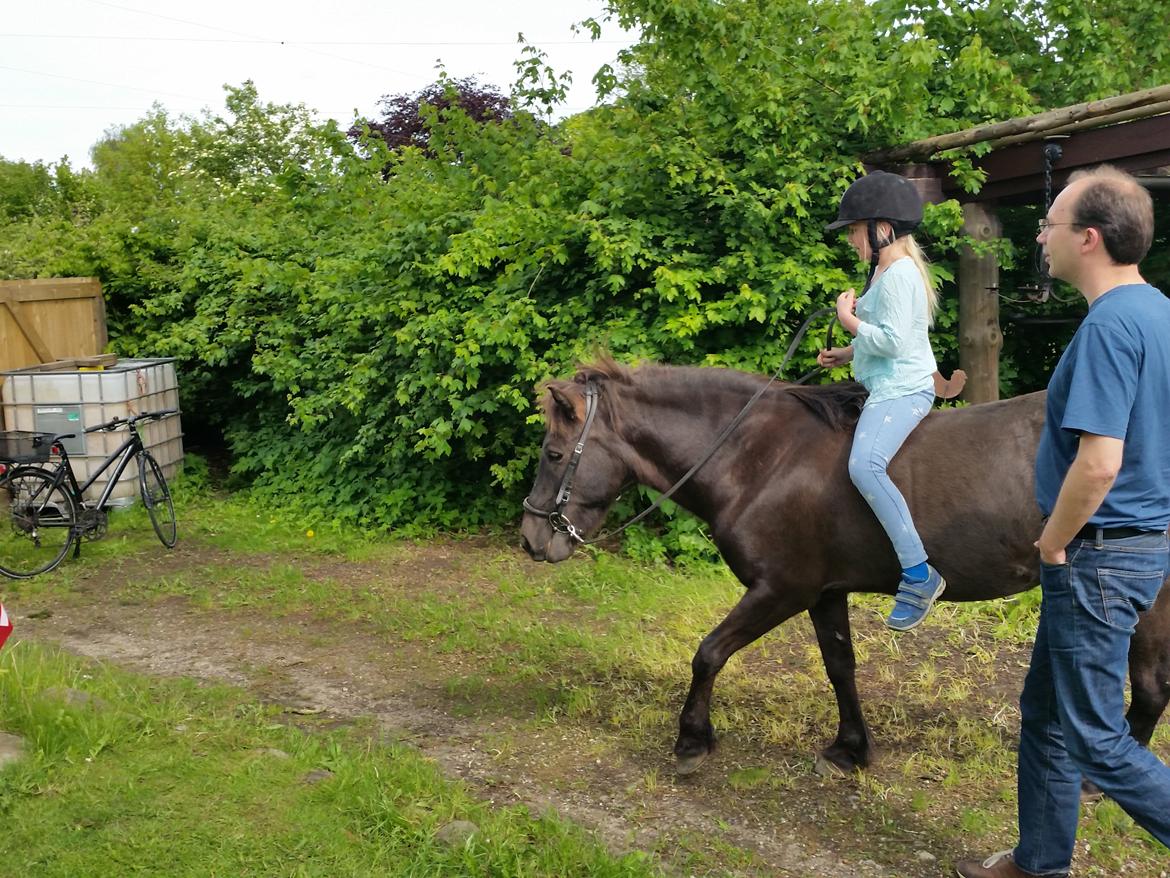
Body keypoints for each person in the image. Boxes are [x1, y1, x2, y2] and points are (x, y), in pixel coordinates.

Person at [955, 166, 1170, 878]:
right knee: (1047, 715)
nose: (1039, 234)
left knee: (1096, 741)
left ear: (1089, 237)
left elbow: (1100, 462)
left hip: (1098, 556)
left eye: (1049, 222)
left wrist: (1053, 541)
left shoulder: (1112, 326)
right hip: (1132, 550)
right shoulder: (1157, 312)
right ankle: (1039, 862)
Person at [818, 170, 946, 630]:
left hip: (903, 389)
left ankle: (917, 572)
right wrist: (846, 352)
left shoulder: (898, 276)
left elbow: (892, 344)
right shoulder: (883, 270)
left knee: (863, 466)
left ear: (882, 229)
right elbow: (893, 338)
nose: (851, 238)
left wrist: (847, 318)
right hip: (885, 383)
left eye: (855, 230)